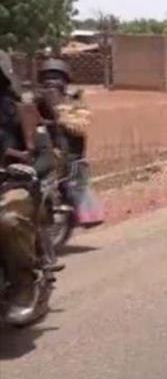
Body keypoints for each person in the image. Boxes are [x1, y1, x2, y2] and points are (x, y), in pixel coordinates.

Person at [0, 50, 55, 326]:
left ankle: (24, 285)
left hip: (12, 184)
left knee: (7, 222)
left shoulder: (21, 111)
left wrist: (29, 168)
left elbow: (46, 153)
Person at [33, 59, 102, 228]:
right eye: (47, 77)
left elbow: (77, 125)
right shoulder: (36, 101)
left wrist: (57, 116)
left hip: (68, 153)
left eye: (56, 77)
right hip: (40, 149)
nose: (51, 81)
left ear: (64, 81)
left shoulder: (74, 102)